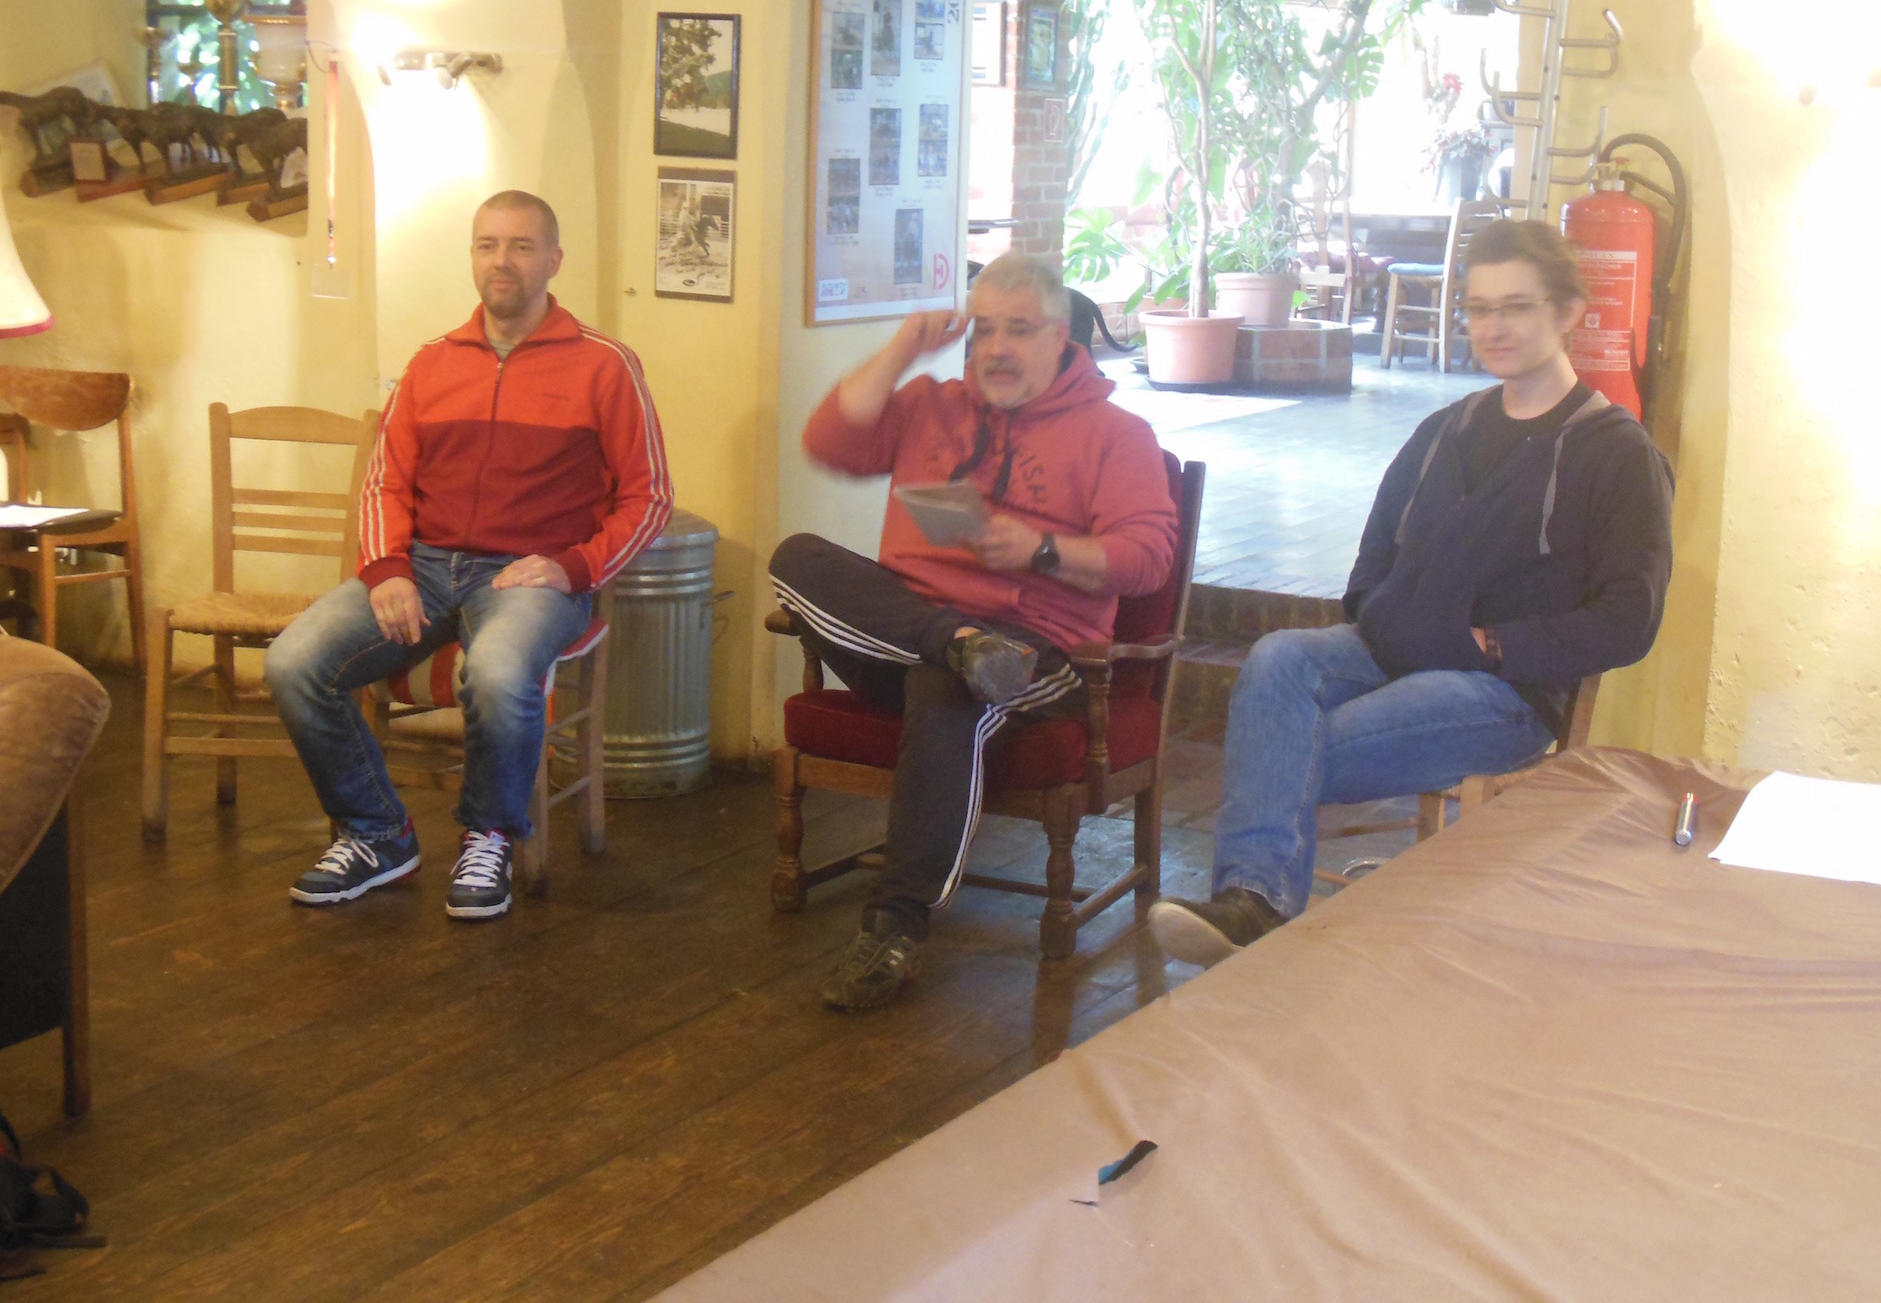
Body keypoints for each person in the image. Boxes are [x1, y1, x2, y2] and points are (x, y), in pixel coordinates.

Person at [1150, 219, 1675, 966]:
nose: (1493, 327)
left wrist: (1497, 644)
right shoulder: (1444, 431)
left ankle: (1257, 905)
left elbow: (1630, 619)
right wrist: (1386, 618)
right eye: (1479, 308)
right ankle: (1254, 901)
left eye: (1516, 306)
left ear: (1568, 312)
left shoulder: (1616, 452)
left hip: (1501, 693)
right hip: (1392, 653)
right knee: (1277, 658)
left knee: (1281, 747)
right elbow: (1372, 562)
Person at [772, 253, 1178, 1010]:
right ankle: (956, 642)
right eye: (983, 329)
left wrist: (1041, 550)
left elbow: (1148, 559)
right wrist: (903, 349)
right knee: (796, 557)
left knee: (945, 686)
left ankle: (895, 927)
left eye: (1018, 330)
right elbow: (829, 441)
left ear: (1059, 337)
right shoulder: (933, 404)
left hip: (1039, 651)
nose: (995, 348)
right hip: (911, 632)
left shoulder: (1116, 433)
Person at [267, 190, 674, 921]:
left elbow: (651, 498)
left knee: (497, 670)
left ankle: (488, 835)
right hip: (423, 567)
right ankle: (378, 833)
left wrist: (573, 568)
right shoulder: (431, 363)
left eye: (521, 246)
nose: (502, 261)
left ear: (554, 260)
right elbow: (384, 482)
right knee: (294, 662)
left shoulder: (604, 365)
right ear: (473, 257)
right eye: (488, 245)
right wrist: (387, 571)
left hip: (530, 577)